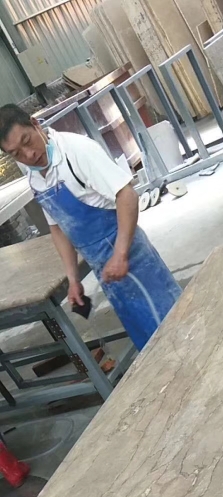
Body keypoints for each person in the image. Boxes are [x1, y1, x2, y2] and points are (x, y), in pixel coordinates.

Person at [0, 104, 181, 351]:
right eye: (16, 153)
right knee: (148, 340)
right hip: (105, 271)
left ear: (36, 124)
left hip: (132, 258)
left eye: (27, 141)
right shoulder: (35, 176)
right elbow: (59, 227)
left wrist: (120, 254)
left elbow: (126, 195)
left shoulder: (77, 150)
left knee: (172, 326)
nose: (29, 155)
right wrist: (73, 279)